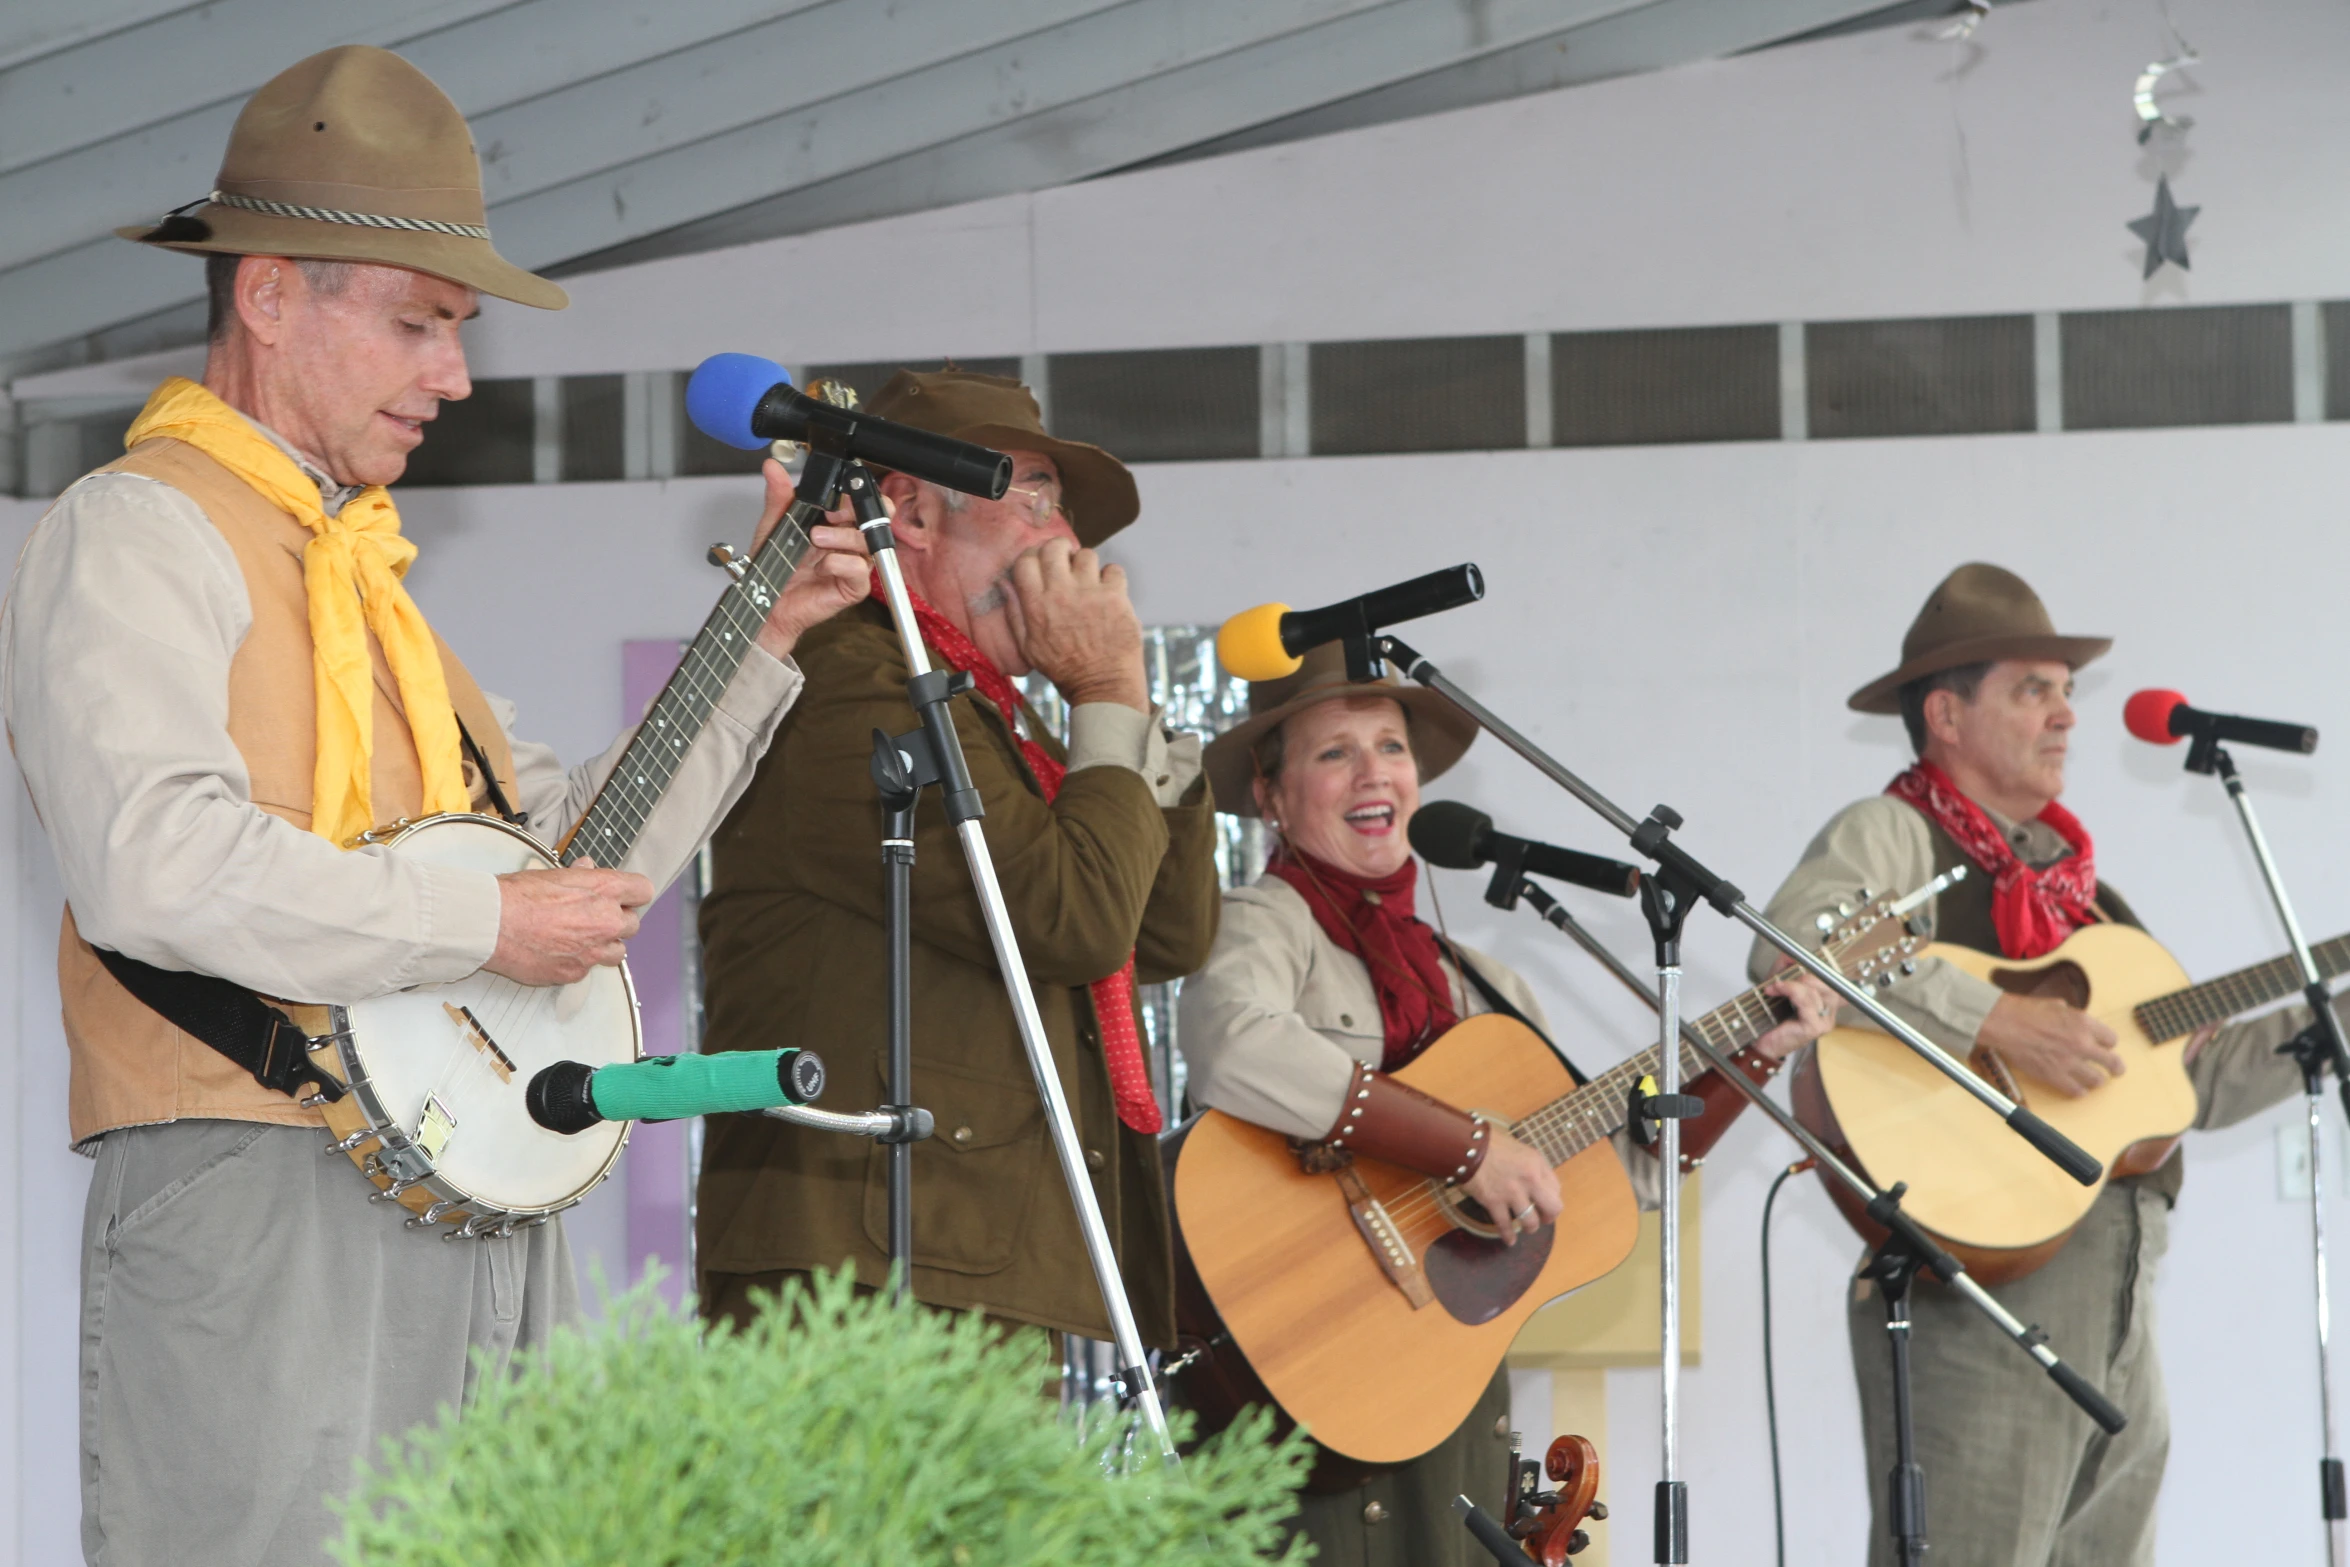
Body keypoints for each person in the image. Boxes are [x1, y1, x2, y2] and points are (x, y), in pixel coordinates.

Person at [1, 48, 870, 1567]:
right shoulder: (135, 530)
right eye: (417, 324)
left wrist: (766, 632)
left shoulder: (379, 597)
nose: (454, 378)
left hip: (466, 1180)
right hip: (253, 1168)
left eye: (453, 332)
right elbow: (152, 860)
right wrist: (482, 914)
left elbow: (571, 872)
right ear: (269, 297)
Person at [1175, 643, 1839, 1567]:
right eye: (1335, 753)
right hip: (1306, 1371)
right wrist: (1465, 1145)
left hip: (1443, 1382)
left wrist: (1754, 1058)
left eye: (1392, 747)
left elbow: (1630, 1176)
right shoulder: (1263, 919)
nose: (1375, 772)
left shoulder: (1483, 985)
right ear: (1272, 794)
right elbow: (1231, 1044)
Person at [1751, 562, 2321, 1567]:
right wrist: (1994, 1017)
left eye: (2066, 690)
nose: (2066, 715)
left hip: (2119, 1288)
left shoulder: (2086, 908)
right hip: (1977, 1287)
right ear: (1945, 713)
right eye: (2033, 688)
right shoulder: (1891, 832)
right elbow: (1799, 944)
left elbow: (2198, 1082)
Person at [694, 367, 1219, 1348]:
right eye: (1028, 497)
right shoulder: (849, 683)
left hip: (957, 1247)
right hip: (855, 1269)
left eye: (1060, 507)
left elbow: (1170, 931)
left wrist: (1123, 703)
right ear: (909, 511)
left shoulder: (988, 717)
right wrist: (1104, 687)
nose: (1061, 539)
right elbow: (1075, 916)